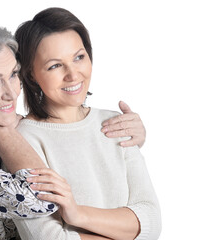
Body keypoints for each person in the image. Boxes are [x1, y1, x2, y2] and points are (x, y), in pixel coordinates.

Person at [0, 23, 147, 239]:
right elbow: (40, 200)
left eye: (13, 75)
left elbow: (76, 153)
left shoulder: (1, 125)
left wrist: (132, 137)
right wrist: (3, 133)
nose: (11, 93)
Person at [12, 7, 162, 240]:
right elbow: (48, 238)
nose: (73, 74)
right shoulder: (24, 139)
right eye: (54, 65)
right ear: (31, 75)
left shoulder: (117, 124)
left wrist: (76, 215)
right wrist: (127, 231)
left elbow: (151, 222)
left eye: (79, 57)